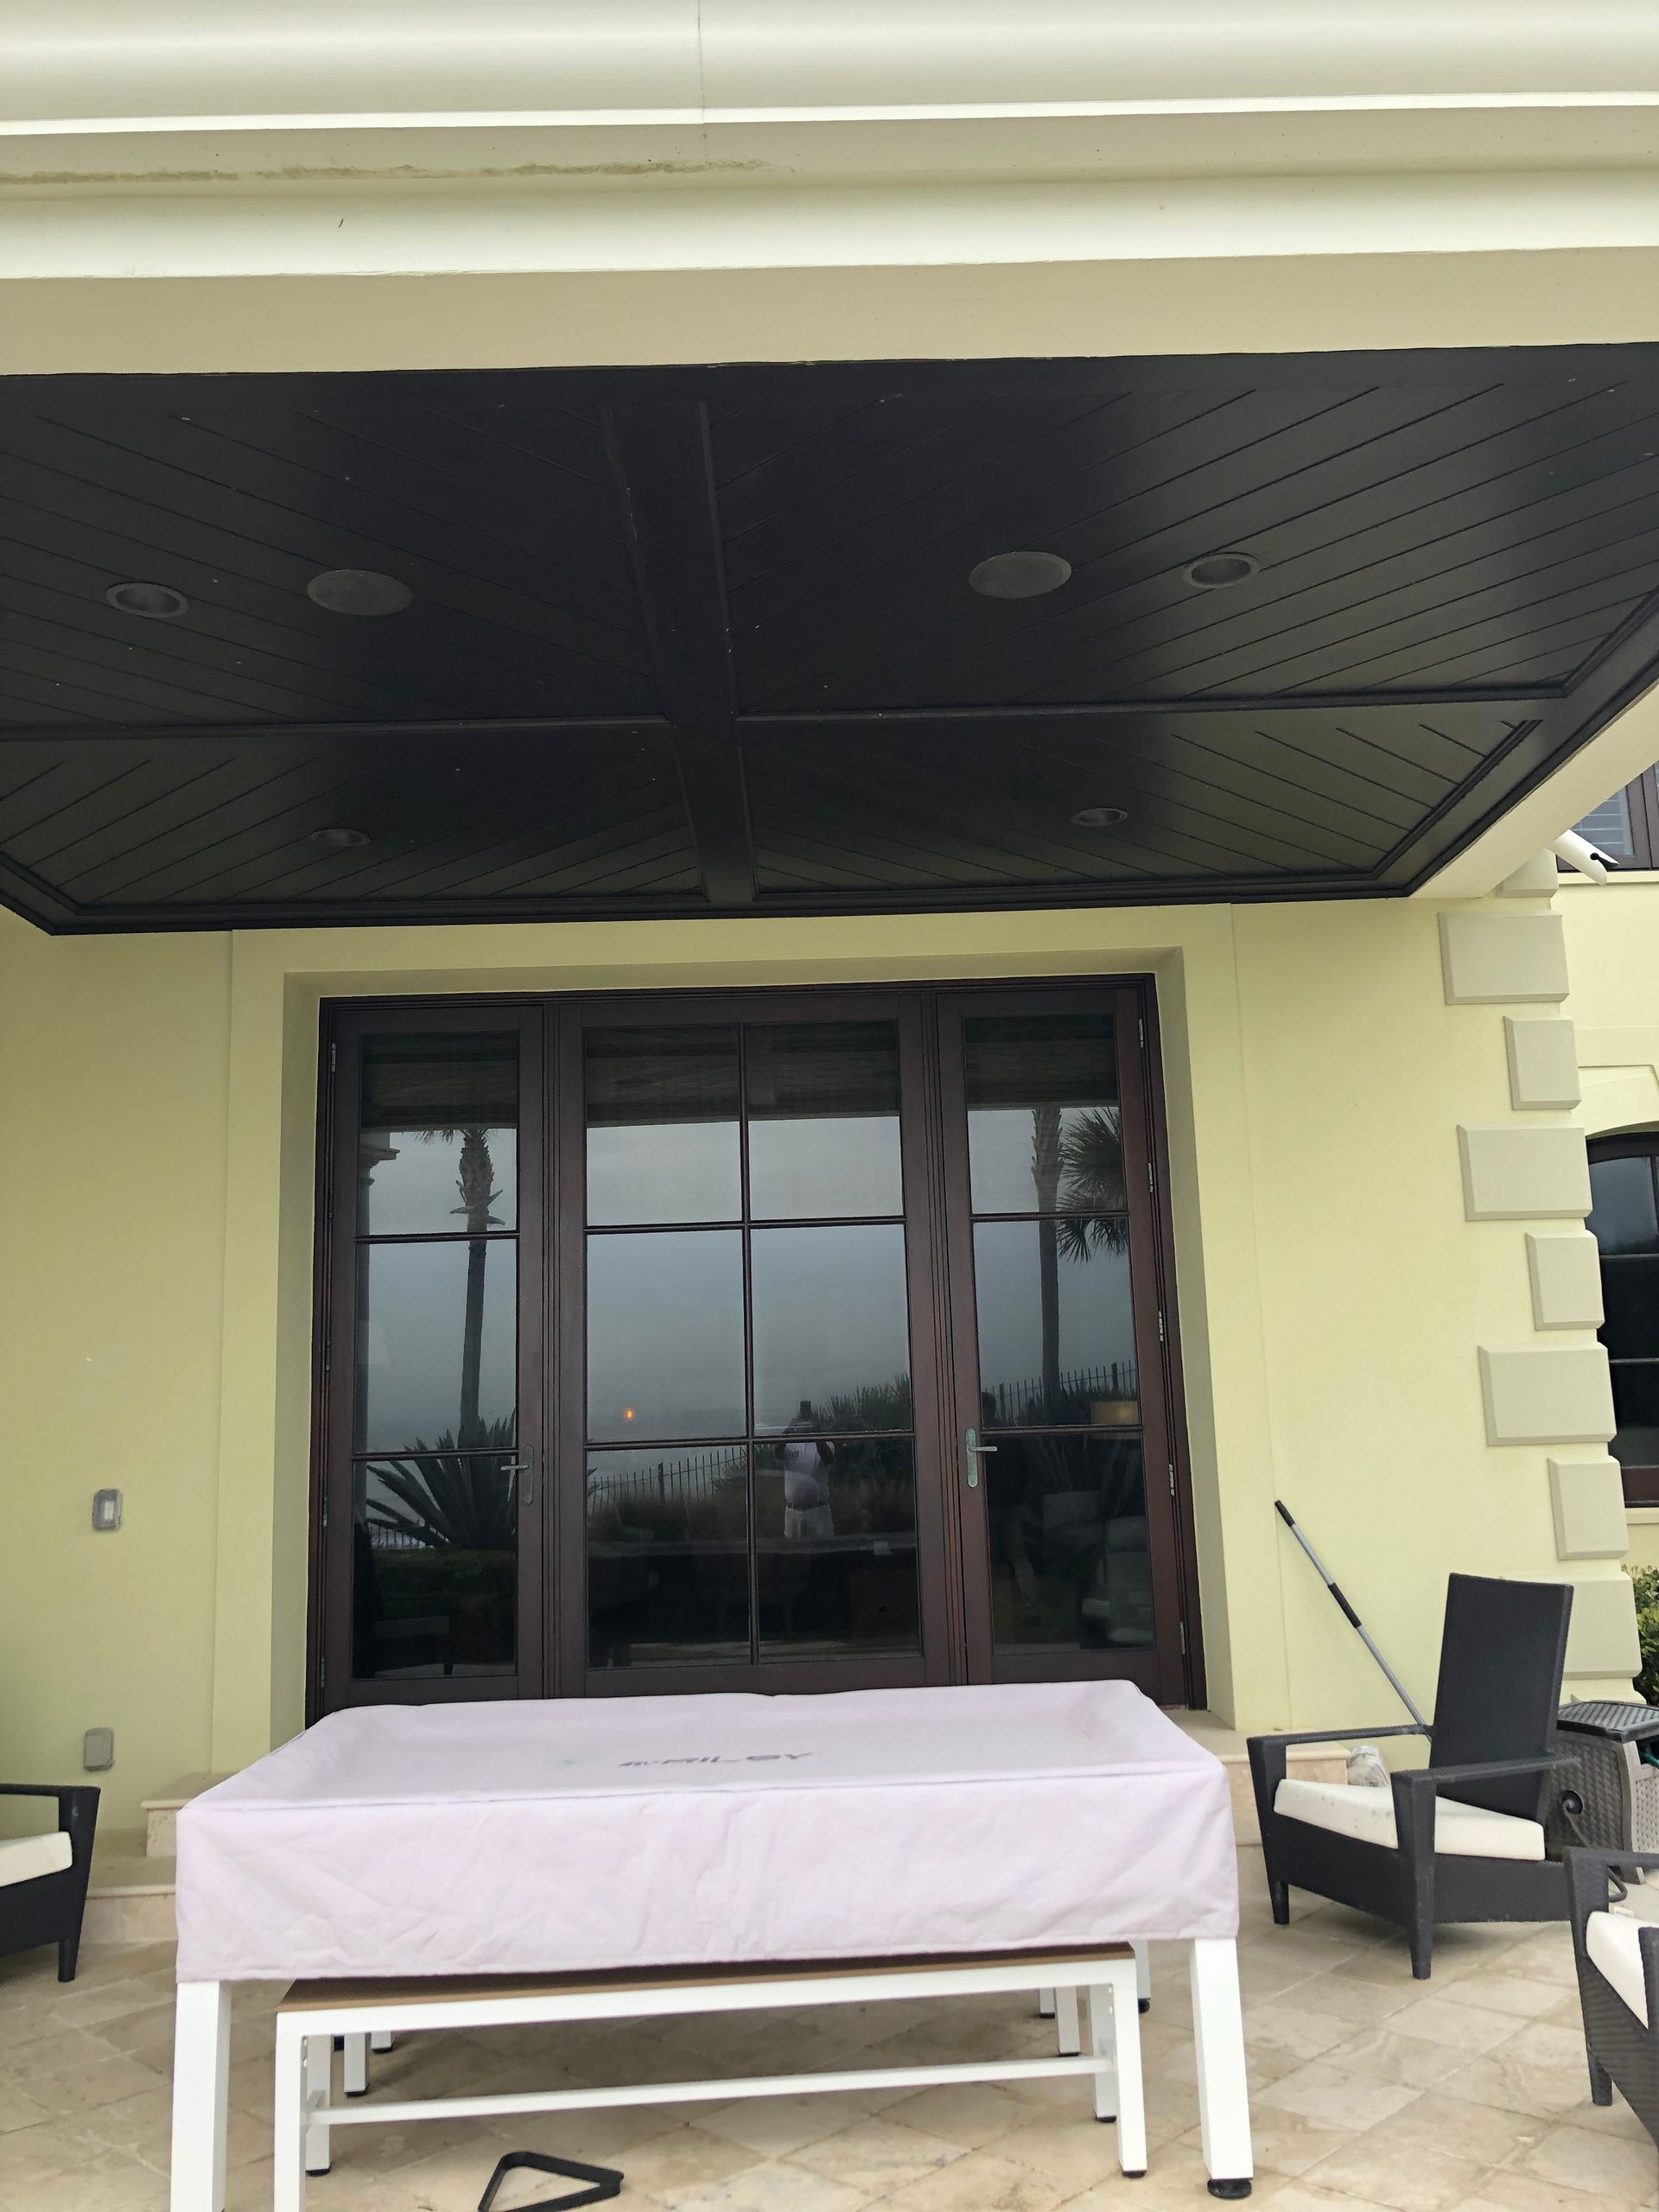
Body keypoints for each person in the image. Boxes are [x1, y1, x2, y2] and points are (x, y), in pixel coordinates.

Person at [781, 1400, 836, 1541]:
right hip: (793, 1511)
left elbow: (828, 1458)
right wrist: (788, 1430)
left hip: (818, 1510)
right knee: (793, 1556)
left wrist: (816, 1434)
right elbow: (777, 1452)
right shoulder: (790, 1444)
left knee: (824, 1554)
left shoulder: (826, 1443)